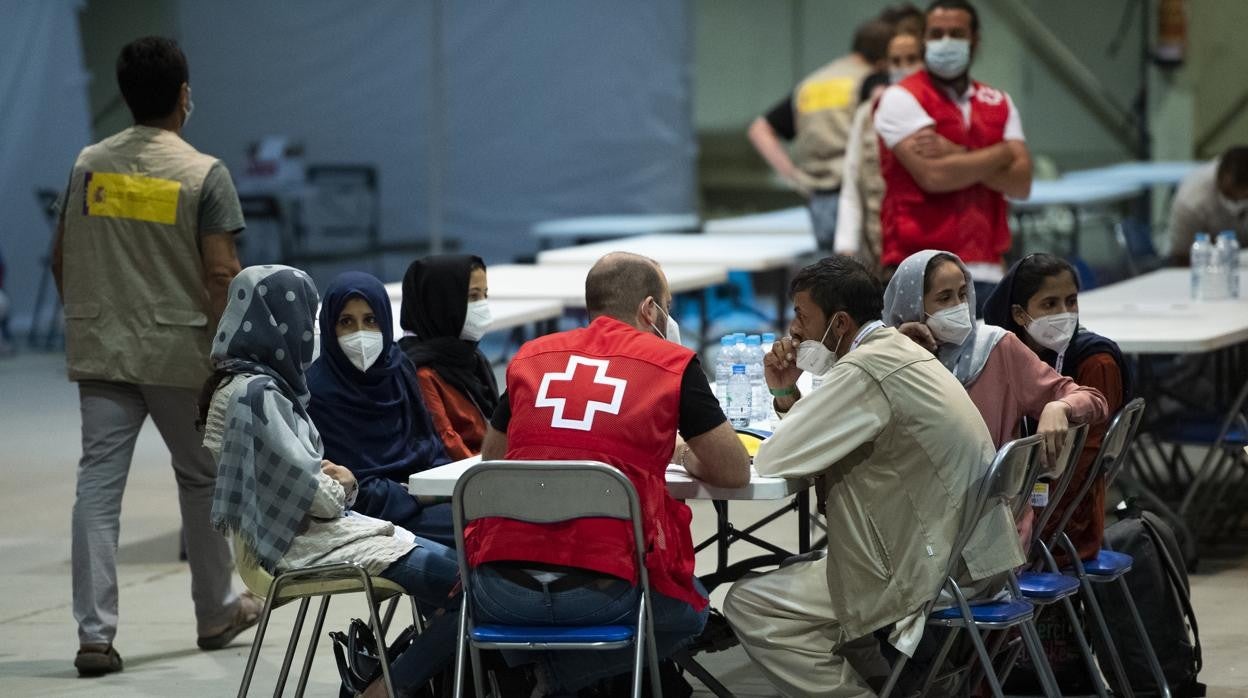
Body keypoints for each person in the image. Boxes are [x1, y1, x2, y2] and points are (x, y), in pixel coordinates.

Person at [50, 36, 256, 675]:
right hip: (179, 351)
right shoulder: (203, 173)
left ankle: (94, 633)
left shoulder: (88, 165)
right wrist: (228, 356)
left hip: (103, 348)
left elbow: (61, 256)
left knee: (97, 487)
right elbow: (222, 274)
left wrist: (92, 314)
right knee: (199, 478)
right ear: (183, 97)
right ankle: (217, 609)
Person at [723, 256, 1023, 696]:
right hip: (969, 551)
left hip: (934, 567)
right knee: (812, 573)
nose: (794, 331)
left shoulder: (865, 370)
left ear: (839, 323)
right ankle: (885, 686)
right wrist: (787, 391)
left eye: (802, 316)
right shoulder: (894, 351)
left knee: (750, 603)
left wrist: (785, 393)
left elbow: (772, 460)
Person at [471, 252, 751, 694]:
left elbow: (493, 461)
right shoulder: (672, 364)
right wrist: (681, 455)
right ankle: (547, 679)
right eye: (667, 306)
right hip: (603, 593)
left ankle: (526, 675)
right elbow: (733, 471)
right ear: (649, 309)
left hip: (498, 590)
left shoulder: (529, 358)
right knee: (691, 612)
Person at [202, 265, 461, 697]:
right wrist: (347, 486)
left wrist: (338, 483)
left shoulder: (239, 384)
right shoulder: (260, 394)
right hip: (309, 544)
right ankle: (390, 687)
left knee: (464, 575)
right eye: (309, 316)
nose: (309, 330)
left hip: (309, 536)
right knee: (470, 586)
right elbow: (318, 495)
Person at [882, 250, 1108, 469]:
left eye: (962, 294)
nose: (959, 307)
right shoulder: (889, 358)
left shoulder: (995, 347)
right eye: (944, 298)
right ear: (913, 307)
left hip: (992, 502)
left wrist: (1061, 406)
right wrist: (895, 350)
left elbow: (1092, 399)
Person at [874, 0, 1032, 307]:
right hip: (919, 268)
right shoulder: (900, 97)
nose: (945, 42)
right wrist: (1000, 153)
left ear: (975, 40)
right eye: (936, 34)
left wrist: (958, 152)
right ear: (924, 40)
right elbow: (934, 176)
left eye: (956, 33)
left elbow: (1021, 184)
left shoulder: (998, 102)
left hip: (986, 268)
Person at [982, 254, 1132, 563]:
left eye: (1071, 301)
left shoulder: (1095, 361)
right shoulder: (1006, 358)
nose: (1064, 314)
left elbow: (1082, 468)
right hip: (1017, 501)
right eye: (1050, 304)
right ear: (1020, 315)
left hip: (1066, 520)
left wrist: (1029, 517)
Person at [306, 272, 453, 546]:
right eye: (346, 322)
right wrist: (420, 495)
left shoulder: (399, 369)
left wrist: (447, 486)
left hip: (420, 498)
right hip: (368, 514)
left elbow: (430, 447)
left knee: (493, 517)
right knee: (476, 533)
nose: (360, 333)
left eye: (371, 320)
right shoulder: (319, 391)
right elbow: (350, 487)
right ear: (329, 326)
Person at [748, 19, 895, 250]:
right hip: (858, 198)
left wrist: (794, 176)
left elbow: (759, 130)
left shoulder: (811, 84)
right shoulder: (872, 81)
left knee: (833, 279)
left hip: (818, 199)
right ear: (885, 58)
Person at [835, 26, 926, 279]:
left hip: (931, 241)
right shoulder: (868, 113)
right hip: (881, 246)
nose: (904, 67)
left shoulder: (941, 108)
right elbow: (852, 179)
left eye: (912, 59)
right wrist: (846, 244)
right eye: (896, 61)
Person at [398, 255, 500, 460]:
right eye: (472, 297)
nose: (482, 306)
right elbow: (447, 442)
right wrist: (494, 472)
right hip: (468, 479)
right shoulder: (420, 372)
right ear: (442, 301)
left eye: (484, 295)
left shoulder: (471, 358)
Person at [1169, 144, 1248, 264]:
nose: (1238, 203)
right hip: (1207, 265)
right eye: (1231, 195)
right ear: (1221, 180)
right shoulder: (1191, 200)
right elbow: (1182, 256)